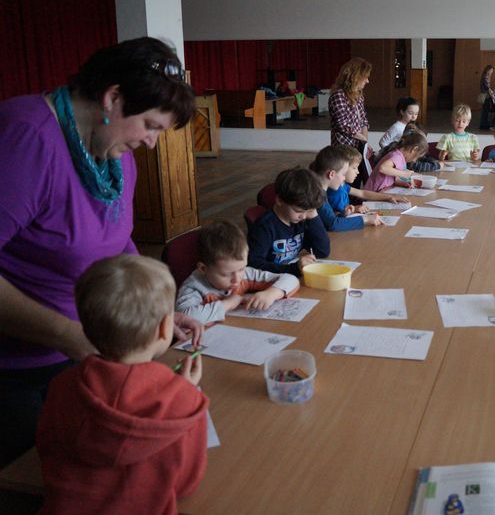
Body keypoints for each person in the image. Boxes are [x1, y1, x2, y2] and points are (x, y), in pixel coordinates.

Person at [0, 37, 203, 466]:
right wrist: (69, 335)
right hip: (17, 370)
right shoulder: (26, 137)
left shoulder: (113, 151)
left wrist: (153, 308)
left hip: (85, 353)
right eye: (151, 125)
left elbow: (116, 245)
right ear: (112, 97)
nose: (152, 143)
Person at [36, 254, 208, 513]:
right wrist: (183, 391)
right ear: (165, 329)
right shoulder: (187, 401)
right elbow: (186, 485)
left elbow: (47, 452)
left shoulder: (61, 385)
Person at [176, 221, 300, 325]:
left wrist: (272, 293)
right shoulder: (194, 287)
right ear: (203, 269)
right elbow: (182, 319)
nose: (237, 279)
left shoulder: (244, 274)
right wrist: (229, 303)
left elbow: (290, 279)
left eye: (241, 269)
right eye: (226, 274)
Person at [247, 167, 330, 276]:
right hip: (269, 280)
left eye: (308, 211)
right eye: (299, 211)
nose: (304, 216)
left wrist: (313, 215)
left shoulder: (300, 220)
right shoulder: (264, 227)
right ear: (280, 200)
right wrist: (294, 269)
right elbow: (254, 264)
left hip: (288, 275)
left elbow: (322, 251)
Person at [310, 146, 385, 230]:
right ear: (331, 174)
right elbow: (332, 224)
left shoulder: (319, 189)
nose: (344, 178)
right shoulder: (316, 194)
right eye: (343, 174)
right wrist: (366, 219)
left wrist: (342, 214)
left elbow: (327, 218)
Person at [326, 145, 409, 215]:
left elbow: (362, 193)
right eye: (354, 168)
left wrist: (389, 197)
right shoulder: (336, 192)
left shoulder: (342, 185)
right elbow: (336, 217)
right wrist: (354, 209)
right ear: (343, 168)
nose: (358, 172)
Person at [329, 57, 371, 151]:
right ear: (355, 77)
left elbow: (363, 120)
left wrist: (365, 142)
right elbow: (342, 125)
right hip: (344, 146)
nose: (367, 81)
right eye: (365, 77)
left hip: (357, 143)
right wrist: (363, 139)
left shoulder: (359, 95)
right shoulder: (338, 95)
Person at [364, 132, 428, 192]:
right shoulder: (397, 156)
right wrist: (404, 174)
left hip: (380, 191)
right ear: (414, 149)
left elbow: (392, 178)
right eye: (416, 157)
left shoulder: (400, 157)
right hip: (373, 193)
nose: (414, 160)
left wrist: (403, 183)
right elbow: (383, 168)